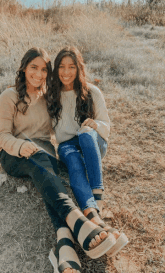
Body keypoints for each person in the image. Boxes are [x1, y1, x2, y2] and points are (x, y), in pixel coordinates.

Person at [0, 47, 116, 273]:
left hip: (44, 150)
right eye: (34, 68)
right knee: (42, 162)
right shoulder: (9, 96)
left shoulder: (48, 96)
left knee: (51, 178)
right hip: (13, 154)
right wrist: (21, 146)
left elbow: (66, 119)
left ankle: (64, 243)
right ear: (23, 69)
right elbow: (1, 135)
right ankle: (79, 223)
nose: (39, 74)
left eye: (43, 69)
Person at [46, 46, 129, 258]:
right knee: (72, 159)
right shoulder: (51, 97)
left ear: (78, 68)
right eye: (62, 67)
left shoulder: (92, 91)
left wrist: (95, 125)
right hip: (67, 146)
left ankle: (97, 200)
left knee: (84, 132)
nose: (66, 72)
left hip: (92, 142)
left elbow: (106, 127)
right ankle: (92, 215)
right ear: (56, 70)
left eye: (71, 66)